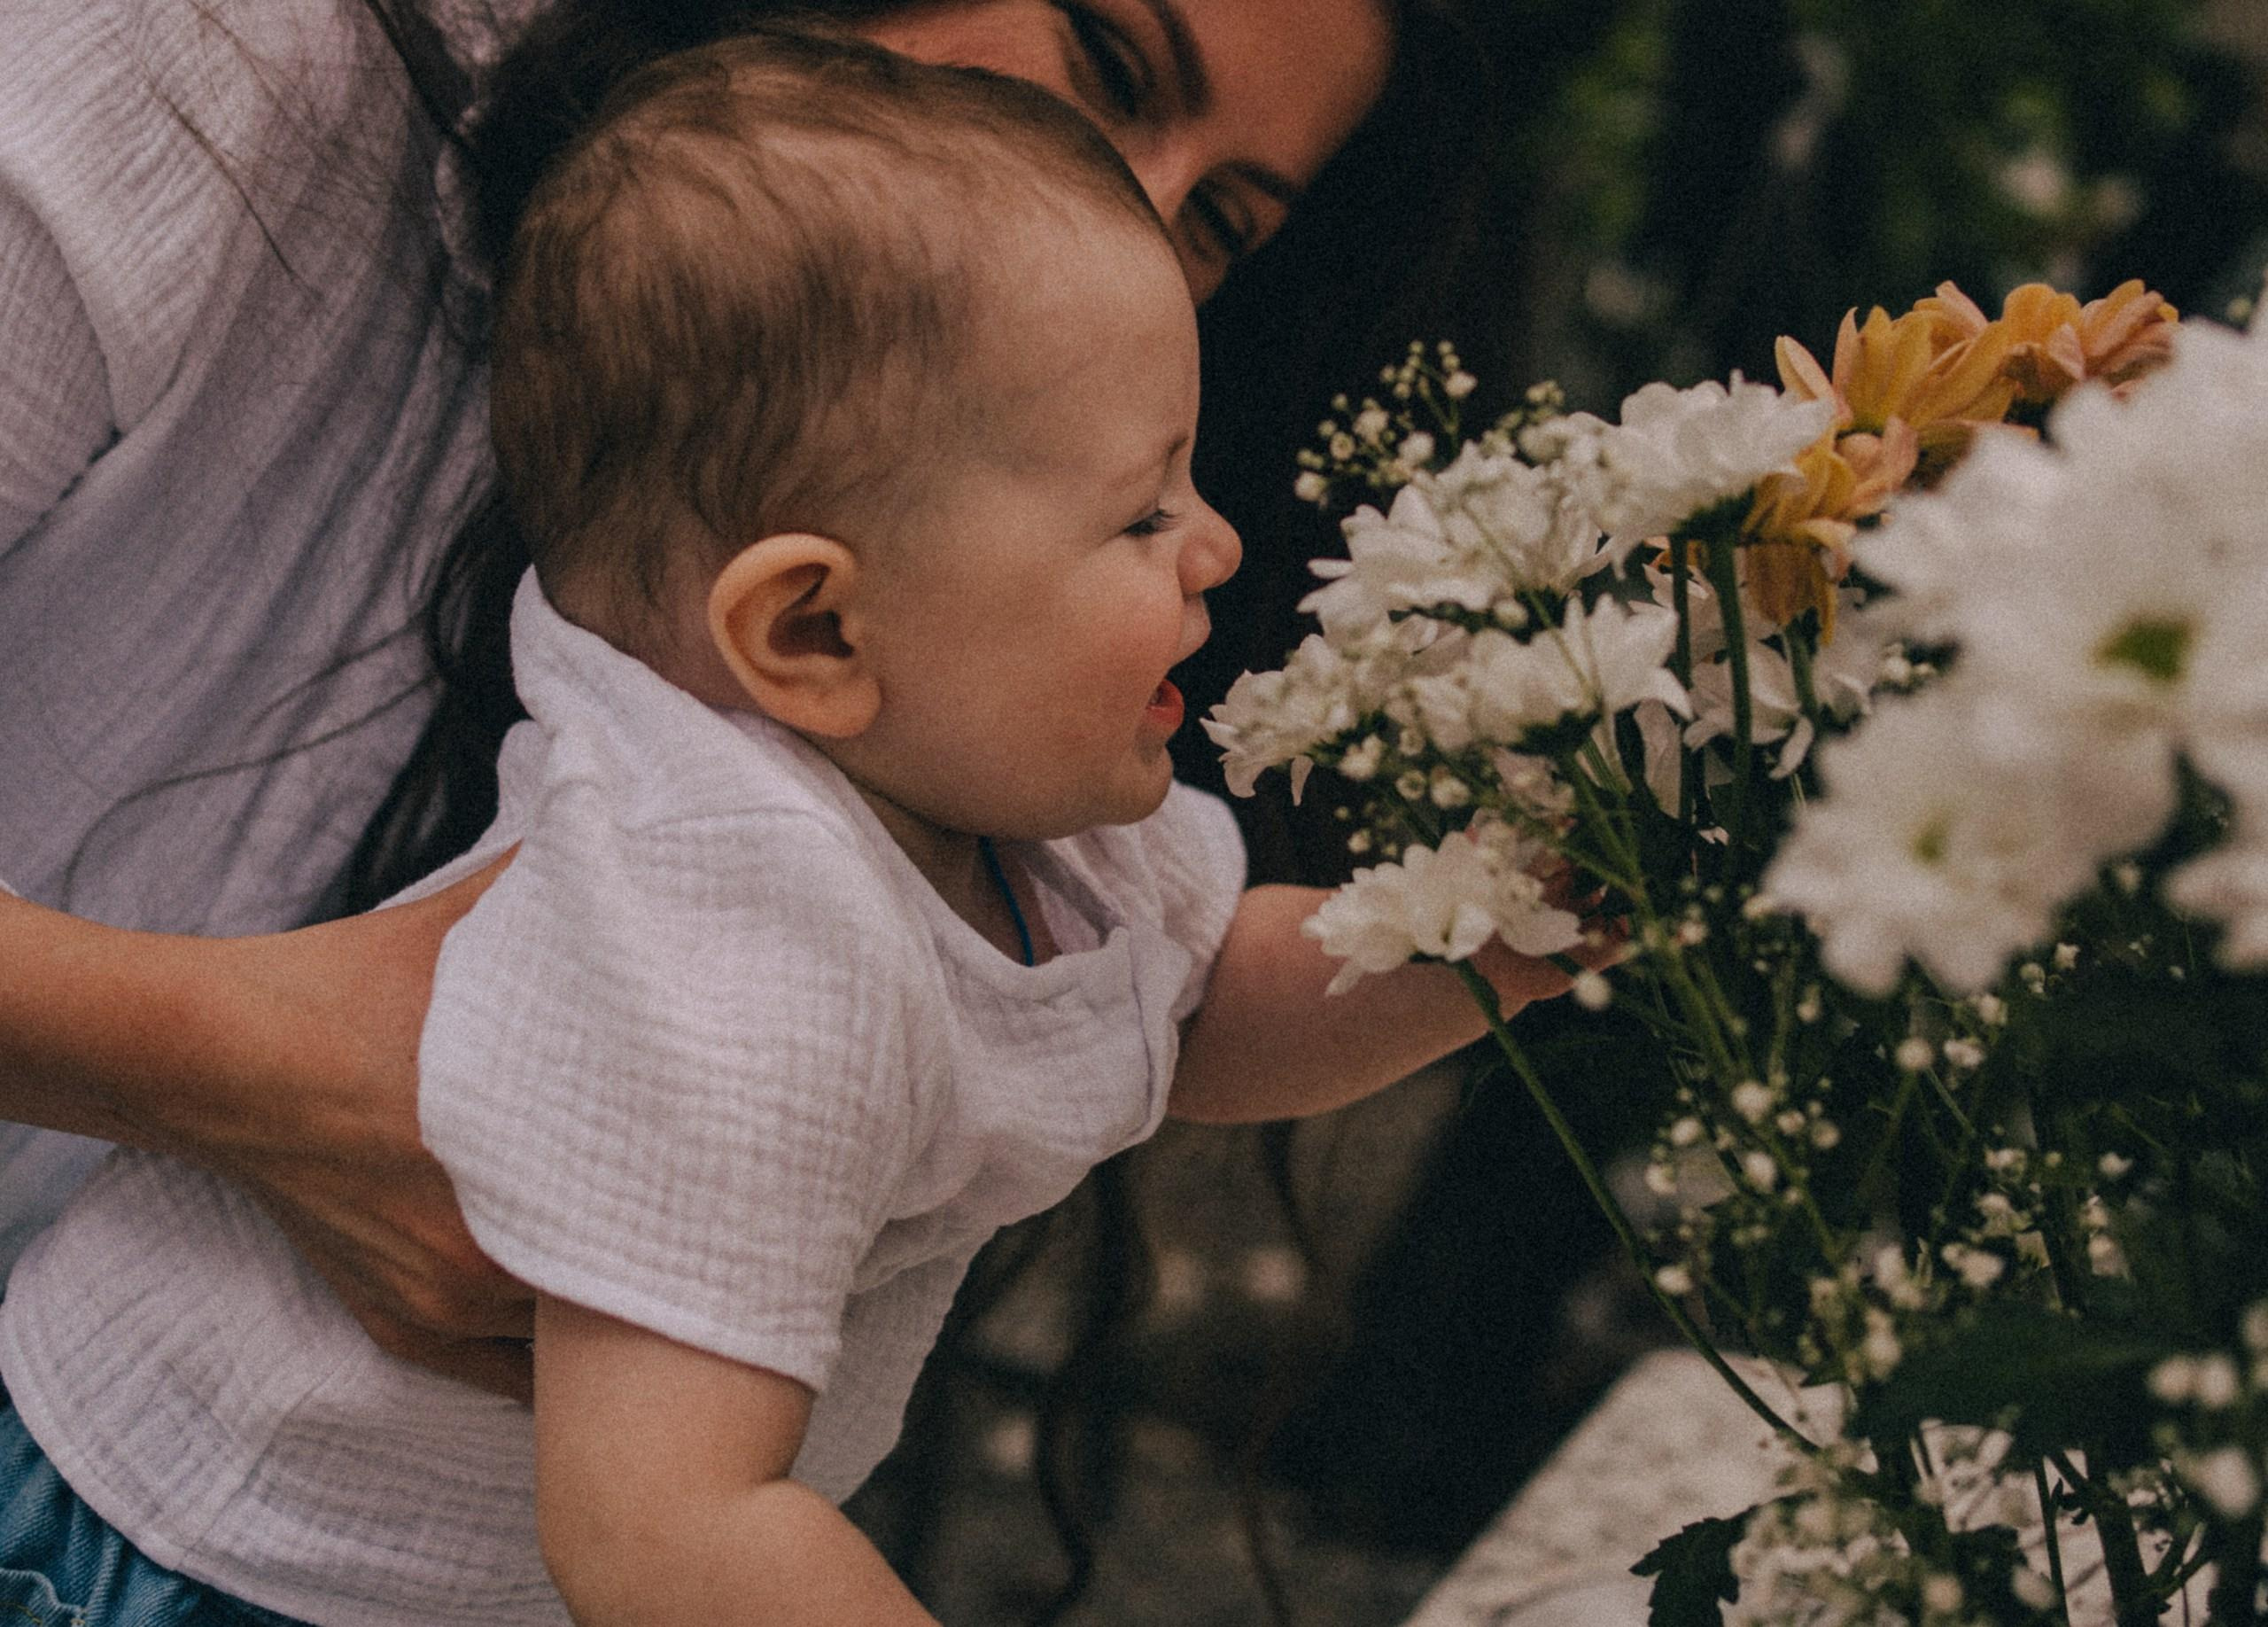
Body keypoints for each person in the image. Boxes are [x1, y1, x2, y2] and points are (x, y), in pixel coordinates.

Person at [0, 30, 1585, 1624]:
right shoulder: (737, 928)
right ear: (815, 633)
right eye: (1142, 512)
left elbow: (1206, 1005)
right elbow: (666, 1531)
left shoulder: (991, 800)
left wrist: (1510, 928)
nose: (1218, 544)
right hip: (183, 1564)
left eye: (1227, 220)